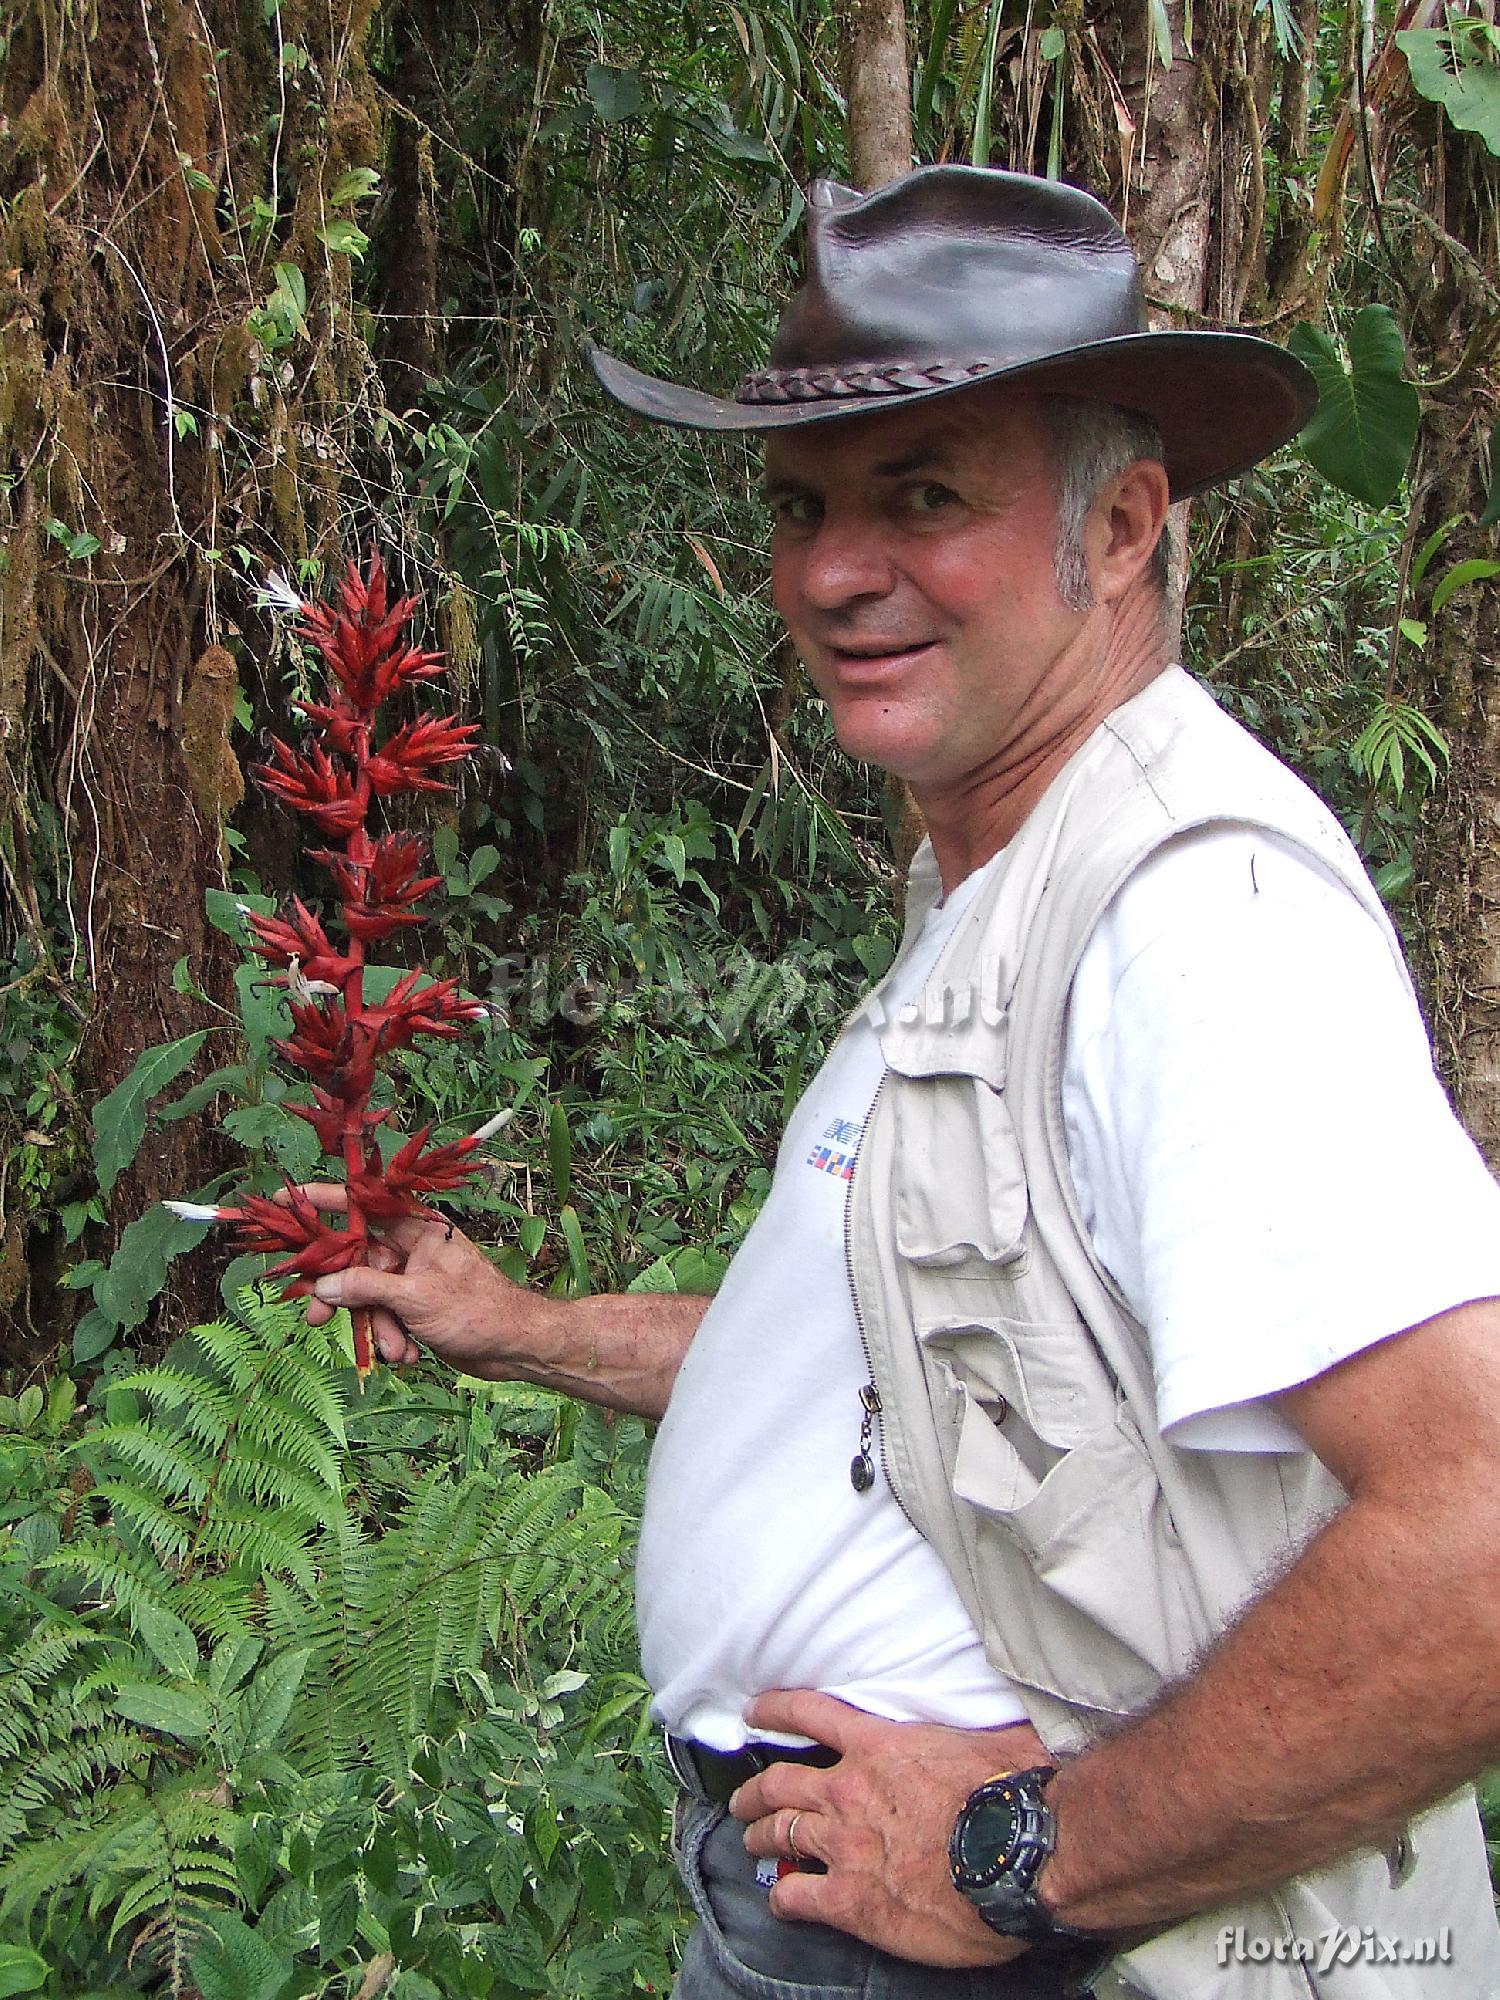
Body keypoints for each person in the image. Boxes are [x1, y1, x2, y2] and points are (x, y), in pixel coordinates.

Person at [300, 169, 1500, 1997]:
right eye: (802, 506)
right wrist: (518, 1323)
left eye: (923, 496)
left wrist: (1031, 1859)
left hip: (991, 1939)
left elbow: (1482, 1528)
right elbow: (922, 1386)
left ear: (1120, 534)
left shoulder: (1192, 916)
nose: (835, 572)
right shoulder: (1003, 897)